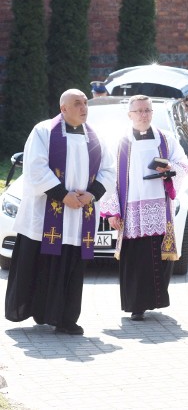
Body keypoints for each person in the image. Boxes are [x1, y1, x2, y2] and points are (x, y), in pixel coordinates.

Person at [5, 89, 116, 335]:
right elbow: (35, 168)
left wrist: (93, 194)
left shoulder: (97, 137)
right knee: (44, 265)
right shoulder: (44, 131)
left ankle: (66, 319)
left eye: (86, 103)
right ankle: (39, 312)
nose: (84, 107)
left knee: (72, 269)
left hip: (79, 217)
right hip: (48, 214)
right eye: (77, 103)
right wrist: (62, 195)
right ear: (63, 109)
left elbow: (110, 170)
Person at [100, 95, 188, 321]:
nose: (144, 115)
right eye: (138, 111)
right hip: (130, 211)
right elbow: (109, 176)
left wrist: (169, 168)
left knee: (156, 256)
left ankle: (155, 300)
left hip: (158, 207)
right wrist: (112, 211)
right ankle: (135, 305)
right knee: (134, 258)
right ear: (129, 115)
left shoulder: (166, 139)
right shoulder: (119, 141)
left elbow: (184, 164)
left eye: (147, 110)